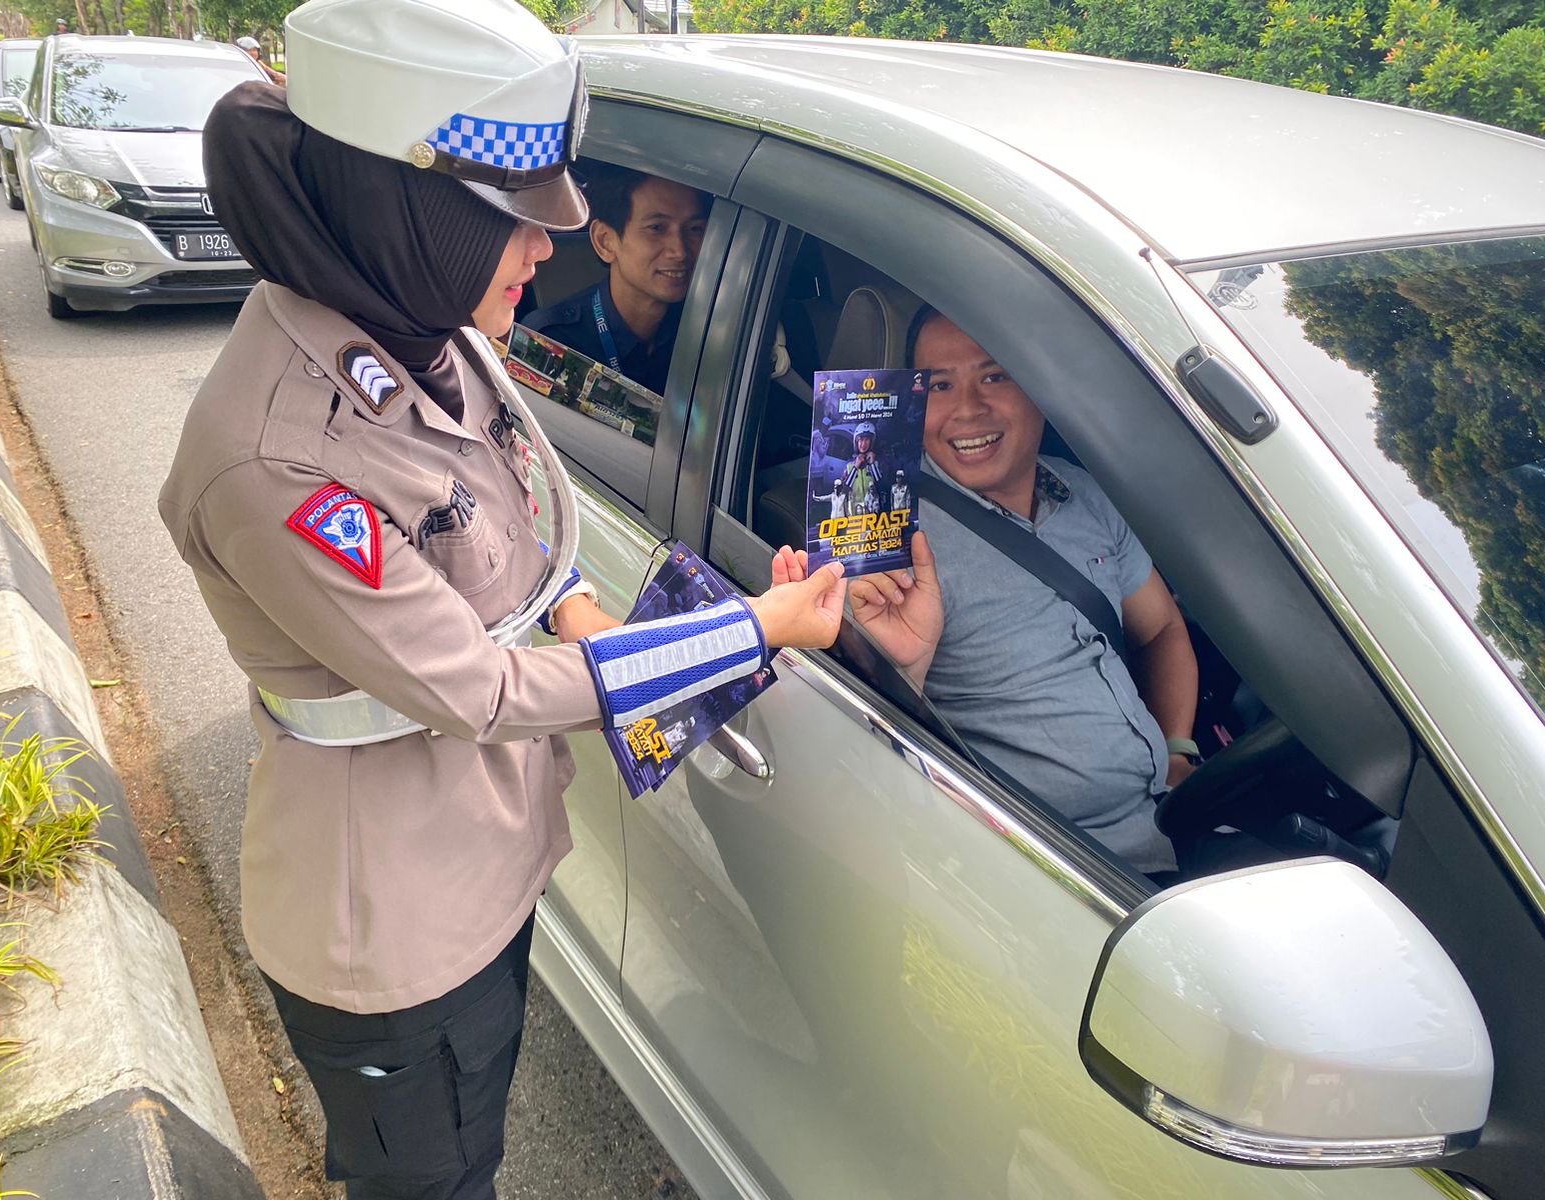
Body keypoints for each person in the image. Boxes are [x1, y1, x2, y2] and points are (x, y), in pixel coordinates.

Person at [156, 2, 847, 1196]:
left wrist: (590, 618)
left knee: (474, 1132)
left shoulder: (416, 321)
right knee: (436, 1180)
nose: (546, 251)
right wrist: (752, 629)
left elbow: (508, 531)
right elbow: (478, 689)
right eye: (514, 223)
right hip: (393, 918)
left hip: (487, 856)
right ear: (406, 210)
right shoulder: (278, 460)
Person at [827, 309, 1199, 875]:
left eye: (995, 376)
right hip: (1056, 871)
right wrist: (903, 668)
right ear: (914, 401)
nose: (967, 409)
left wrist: (1176, 747)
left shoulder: (1084, 493)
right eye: (940, 385)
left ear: (1041, 388)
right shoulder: (880, 530)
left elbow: (1163, 628)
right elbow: (857, 737)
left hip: (1174, 818)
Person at [520, 165, 708, 395]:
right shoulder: (549, 340)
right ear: (605, 241)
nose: (680, 251)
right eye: (656, 228)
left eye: (695, 229)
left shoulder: (712, 330)